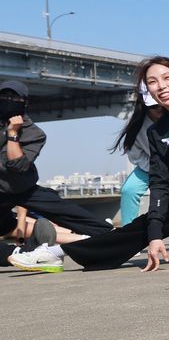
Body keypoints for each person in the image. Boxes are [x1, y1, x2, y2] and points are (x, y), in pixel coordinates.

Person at [8, 56, 169, 272]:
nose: (161, 86)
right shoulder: (157, 131)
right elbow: (160, 183)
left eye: (167, 78)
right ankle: (58, 252)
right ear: (148, 91)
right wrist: (154, 235)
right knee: (137, 229)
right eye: (152, 82)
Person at [0, 80, 114, 269]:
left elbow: (18, 166)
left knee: (75, 215)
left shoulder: (34, 133)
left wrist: (13, 133)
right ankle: (26, 251)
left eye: (14, 97)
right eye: (4, 96)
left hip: (24, 188)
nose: (8, 100)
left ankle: (115, 239)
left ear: (25, 103)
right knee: (6, 227)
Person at [111, 81, 164, 226]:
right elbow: (135, 156)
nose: (159, 109)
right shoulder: (137, 126)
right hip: (150, 166)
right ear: (144, 106)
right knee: (129, 190)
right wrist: (155, 167)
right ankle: (129, 232)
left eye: (161, 104)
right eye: (153, 106)